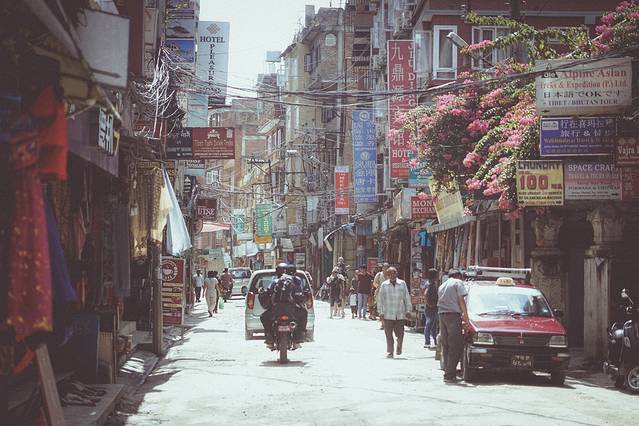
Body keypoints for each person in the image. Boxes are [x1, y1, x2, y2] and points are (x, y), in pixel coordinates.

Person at [259, 263, 308, 348]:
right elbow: (299, 294)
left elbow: (269, 293)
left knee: (263, 317)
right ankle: (297, 339)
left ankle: (270, 339)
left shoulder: (275, 281)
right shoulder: (296, 280)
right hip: (292, 309)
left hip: (276, 310)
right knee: (304, 314)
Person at [437, 269, 469, 383]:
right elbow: (461, 299)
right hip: (453, 315)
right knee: (456, 345)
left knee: (446, 345)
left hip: (442, 315)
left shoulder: (442, 286)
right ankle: (450, 375)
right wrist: (466, 316)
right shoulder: (457, 282)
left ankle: (448, 372)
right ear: (458, 276)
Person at [377, 267, 412, 358]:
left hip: (400, 313)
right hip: (388, 314)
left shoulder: (402, 283)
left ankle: (399, 346)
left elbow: (406, 297)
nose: (393, 275)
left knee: (400, 333)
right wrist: (381, 312)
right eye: (391, 273)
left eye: (394, 273)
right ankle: (390, 351)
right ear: (388, 275)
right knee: (388, 334)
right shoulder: (384, 285)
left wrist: (408, 310)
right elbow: (380, 299)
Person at [422, 268, 439, 349]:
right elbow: (425, 295)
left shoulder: (431, 283)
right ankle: (427, 342)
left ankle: (435, 341)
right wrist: (429, 304)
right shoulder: (430, 284)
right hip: (431, 308)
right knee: (429, 324)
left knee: (433, 325)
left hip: (432, 307)